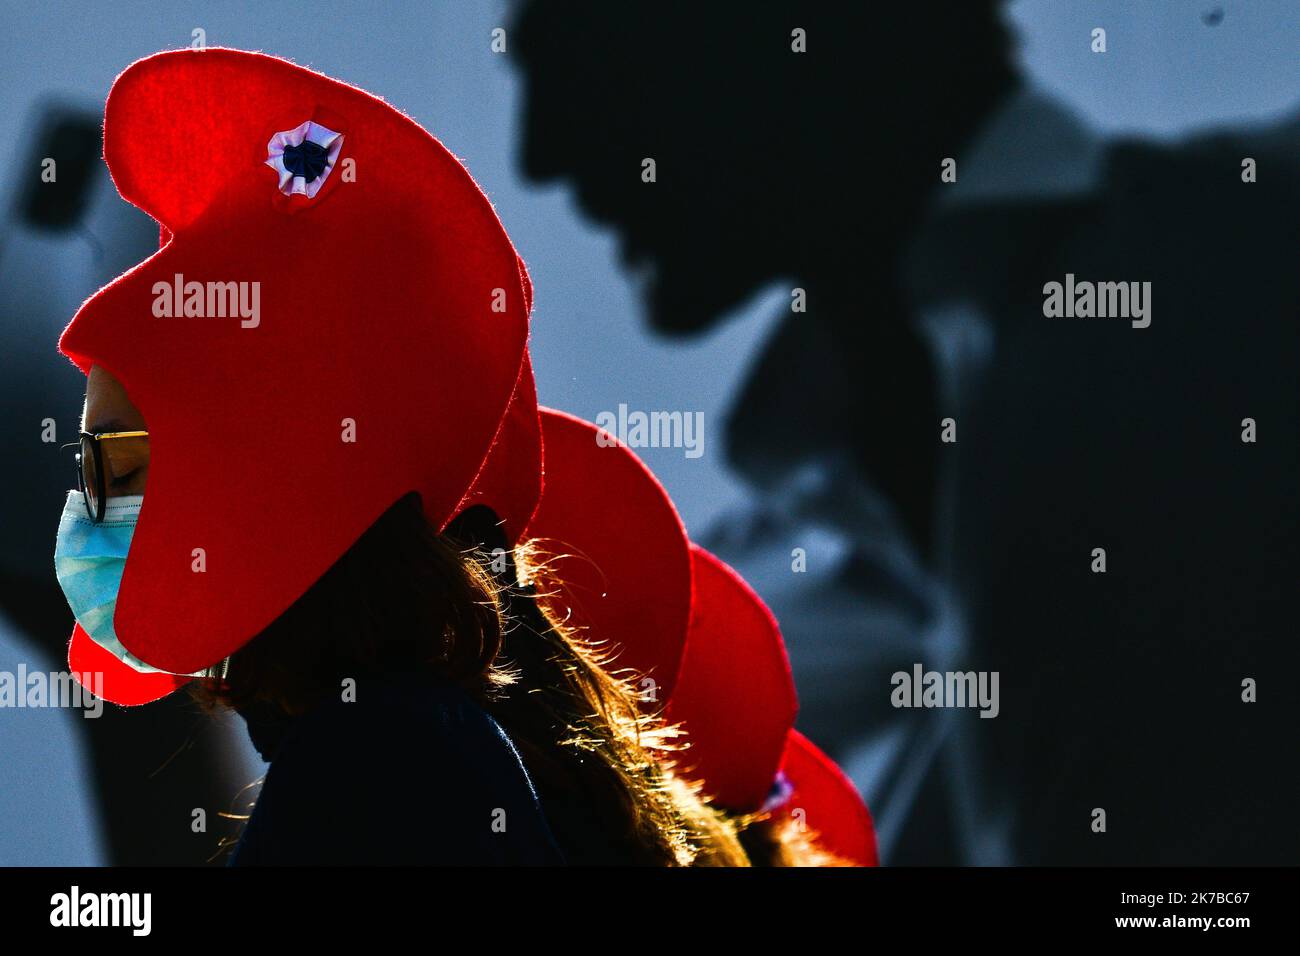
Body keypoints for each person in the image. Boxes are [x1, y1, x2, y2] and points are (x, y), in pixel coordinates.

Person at [52, 48, 750, 867]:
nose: (91, 510)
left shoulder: (374, 767)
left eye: (123, 469)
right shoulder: (398, 740)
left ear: (259, 484)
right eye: (89, 469)